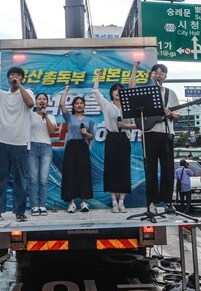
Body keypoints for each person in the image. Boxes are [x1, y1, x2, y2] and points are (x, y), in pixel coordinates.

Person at [0, 61, 34, 223]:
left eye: (18, 76)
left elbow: (30, 104)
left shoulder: (28, 92)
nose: (15, 77)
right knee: (1, 178)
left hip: (20, 142)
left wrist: (20, 87)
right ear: (7, 78)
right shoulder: (2, 95)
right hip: (1, 141)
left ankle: (19, 212)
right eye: (12, 75)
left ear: (22, 79)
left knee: (20, 178)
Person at [129, 61, 180, 214]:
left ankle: (168, 202)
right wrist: (135, 67)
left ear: (165, 76)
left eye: (161, 73)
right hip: (148, 134)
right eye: (155, 72)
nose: (158, 75)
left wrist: (171, 114)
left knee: (168, 169)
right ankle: (151, 202)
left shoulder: (170, 93)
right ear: (151, 75)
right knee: (150, 169)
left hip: (166, 134)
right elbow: (131, 89)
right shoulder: (145, 91)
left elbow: (178, 115)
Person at [92, 70, 136, 213]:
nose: (117, 92)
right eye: (115, 91)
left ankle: (122, 202)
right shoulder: (107, 105)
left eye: (120, 90)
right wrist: (98, 75)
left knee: (124, 170)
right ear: (111, 93)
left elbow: (137, 124)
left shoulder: (129, 106)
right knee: (111, 170)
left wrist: (125, 126)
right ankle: (113, 202)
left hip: (124, 139)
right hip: (111, 138)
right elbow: (95, 91)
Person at [60, 85, 95, 213]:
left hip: (83, 146)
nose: (79, 105)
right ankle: (72, 203)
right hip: (72, 147)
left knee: (84, 174)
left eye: (81, 103)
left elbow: (92, 136)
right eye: (76, 103)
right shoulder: (69, 117)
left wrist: (86, 133)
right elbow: (62, 105)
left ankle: (84, 202)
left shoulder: (89, 120)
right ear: (73, 106)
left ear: (84, 106)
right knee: (71, 174)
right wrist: (66, 91)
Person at [28, 93, 56, 216]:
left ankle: (42, 205)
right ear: (35, 102)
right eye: (39, 99)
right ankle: (34, 206)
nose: (42, 101)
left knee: (44, 179)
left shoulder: (51, 117)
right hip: (32, 147)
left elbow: (52, 131)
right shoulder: (30, 115)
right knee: (33, 179)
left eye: (44, 99)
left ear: (47, 102)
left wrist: (46, 117)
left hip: (46, 148)